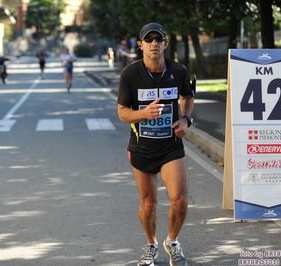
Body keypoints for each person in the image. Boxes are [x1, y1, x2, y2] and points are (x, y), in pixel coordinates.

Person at [117, 22, 195, 266]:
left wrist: (185, 119)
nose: (153, 44)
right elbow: (122, 113)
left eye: (157, 39)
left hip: (171, 146)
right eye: (148, 40)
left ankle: (172, 241)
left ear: (165, 44)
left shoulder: (179, 71)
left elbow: (188, 97)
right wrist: (144, 114)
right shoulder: (130, 74)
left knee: (180, 199)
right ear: (140, 45)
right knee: (149, 203)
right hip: (142, 147)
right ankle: (151, 245)